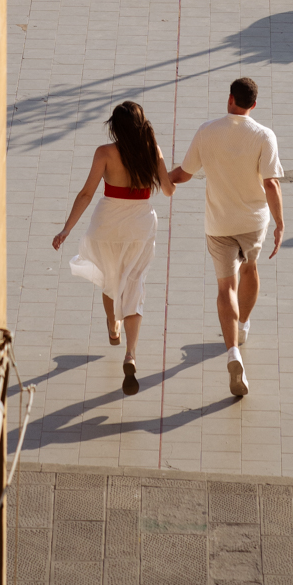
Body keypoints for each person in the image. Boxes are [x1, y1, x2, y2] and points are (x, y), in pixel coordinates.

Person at [169, 75, 284, 398]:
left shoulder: (207, 131)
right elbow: (271, 184)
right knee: (250, 269)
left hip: (219, 224)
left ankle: (232, 350)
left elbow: (183, 174)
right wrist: (280, 223)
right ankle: (243, 325)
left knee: (225, 287)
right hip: (253, 223)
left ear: (230, 99)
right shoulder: (264, 135)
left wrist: (158, 178)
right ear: (253, 105)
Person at [52, 100, 174, 395]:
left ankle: (112, 325)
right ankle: (130, 354)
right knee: (134, 285)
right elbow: (168, 189)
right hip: (140, 225)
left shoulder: (104, 153)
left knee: (109, 279)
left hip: (106, 224)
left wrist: (67, 228)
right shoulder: (152, 150)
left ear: (115, 128)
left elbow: (86, 193)